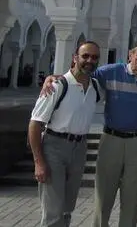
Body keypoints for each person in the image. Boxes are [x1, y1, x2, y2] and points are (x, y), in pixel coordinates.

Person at [42, 38, 137, 227]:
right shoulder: (109, 73)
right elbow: (80, 74)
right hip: (111, 139)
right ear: (130, 55)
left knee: (132, 197)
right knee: (103, 196)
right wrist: (53, 77)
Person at [29, 41, 101, 227]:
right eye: (85, 56)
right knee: (53, 211)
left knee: (67, 208)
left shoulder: (95, 87)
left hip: (79, 149)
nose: (89, 60)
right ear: (75, 58)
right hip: (54, 148)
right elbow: (35, 124)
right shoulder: (57, 86)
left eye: (94, 57)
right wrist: (38, 162)